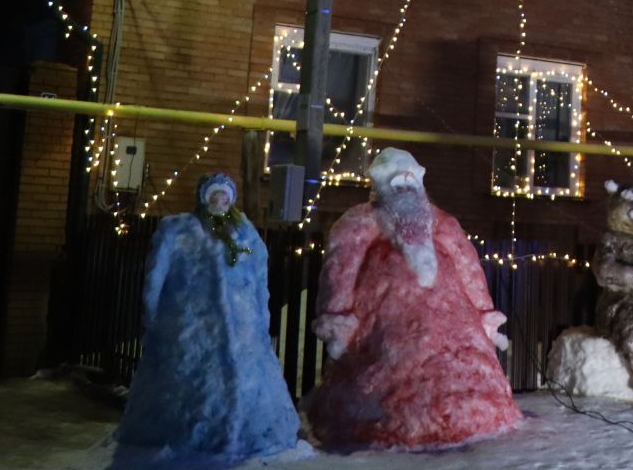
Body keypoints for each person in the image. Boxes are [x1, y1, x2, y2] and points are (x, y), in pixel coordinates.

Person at [306, 148, 522, 449]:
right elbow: (342, 267)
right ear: (380, 184)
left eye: (411, 183)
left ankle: (474, 412)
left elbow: (467, 264)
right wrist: (338, 317)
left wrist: (484, 313)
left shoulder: (442, 223)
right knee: (385, 384)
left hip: (455, 324)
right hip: (385, 326)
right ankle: (386, 423)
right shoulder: (361, 223)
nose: (406, 190)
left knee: (466, 376)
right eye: (398, 184)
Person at [115, 173, 301, 461]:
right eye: (215, 196)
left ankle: (247, 433)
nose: (220, 201)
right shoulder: (180, 230)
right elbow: (157, 275)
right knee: (195, 380)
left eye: (225, 196)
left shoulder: (243, 233)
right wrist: (153, 315)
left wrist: (260, 316)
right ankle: (193, 432)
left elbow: (258, 271)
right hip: (193, 322)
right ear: (204, 198)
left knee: (245, 380)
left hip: (242, 326)